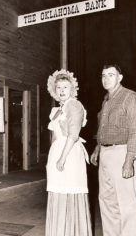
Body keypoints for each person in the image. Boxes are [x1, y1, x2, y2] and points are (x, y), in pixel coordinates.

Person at [91, 64, 136, 236]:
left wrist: (129, 161)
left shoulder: (130, 97)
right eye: (103, 75)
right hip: (106, 155)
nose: (106, 79)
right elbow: (104, 128)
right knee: (107, 203)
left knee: (127, 205)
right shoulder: (106, 99)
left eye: (111, 75)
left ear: (120, 77)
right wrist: (98, 148)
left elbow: (135, 131)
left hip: (123, 153)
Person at [46, 69, 92, 236]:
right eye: (59, 87)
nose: (62, 90)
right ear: (54, 90)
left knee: (68, 191)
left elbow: (73, 136)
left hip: (69, 154)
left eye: (65, 87)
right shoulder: (57, 110)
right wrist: (51, 160)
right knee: (58, 191)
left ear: (72, 89)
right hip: (58, 152)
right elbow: (54, 137)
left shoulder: (74, 105)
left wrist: (62, 159)